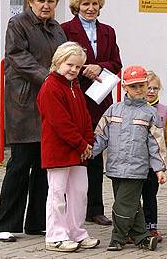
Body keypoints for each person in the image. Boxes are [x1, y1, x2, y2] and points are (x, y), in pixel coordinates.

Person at [0, 0, 66, 242]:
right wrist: (49, 77)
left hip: (49, 103)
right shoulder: (17, 23)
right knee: (20, 165)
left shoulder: (57, 27)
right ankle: (4, 223)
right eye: (41, 0)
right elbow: (17, 56)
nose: (46, 5)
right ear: (30, 1)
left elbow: (63, 56)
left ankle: (37, 222)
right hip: (23, 103)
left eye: (51, 1)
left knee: (44, 165)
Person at [62, 0, 122, 226]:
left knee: (96, 155)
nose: (90, 8)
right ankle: (70, 208)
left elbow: (117, 63)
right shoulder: (65, 28)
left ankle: (95, 208)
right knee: (74, 154)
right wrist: (83, 68)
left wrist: (101, 66)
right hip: (75, 96)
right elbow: (61, 60)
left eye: (94, 4)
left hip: (100, 100)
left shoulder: (108, 30)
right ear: (77, 5)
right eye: (85, 3)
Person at [93, 65, 167, 252]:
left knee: (123, 204)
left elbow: (156, 144)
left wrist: (159, 168)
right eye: (134, 86)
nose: (139, 90)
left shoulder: (150, 113)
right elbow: (101, 135)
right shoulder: (113, 110)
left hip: (137, 169)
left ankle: (118, 238)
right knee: (131, 203)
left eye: (142, 85)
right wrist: (88, 152)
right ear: (125, 87)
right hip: (115, 167)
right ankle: (142, 237)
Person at [37, 42, 100, 252]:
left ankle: (77, 232)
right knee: (57, 194)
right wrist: (82, 143)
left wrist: (88, 141)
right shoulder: (50, 87)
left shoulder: (74, 86)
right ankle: (56, 236)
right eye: (69, 64)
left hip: (79, 150)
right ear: (58, 62)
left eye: (78, 66)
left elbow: (84, 117)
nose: (73, 70)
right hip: (59, 150)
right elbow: (60, 123)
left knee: (79, 193)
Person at [141, 71, 167, 242]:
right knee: (134, 196)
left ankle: (151, 226)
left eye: (155, 88)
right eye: (148, 87)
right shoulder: (133, 108)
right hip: (136, 161)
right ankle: (134, 227)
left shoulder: (164, 110)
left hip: (155, 163)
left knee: (150, 195)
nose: (151, 91)